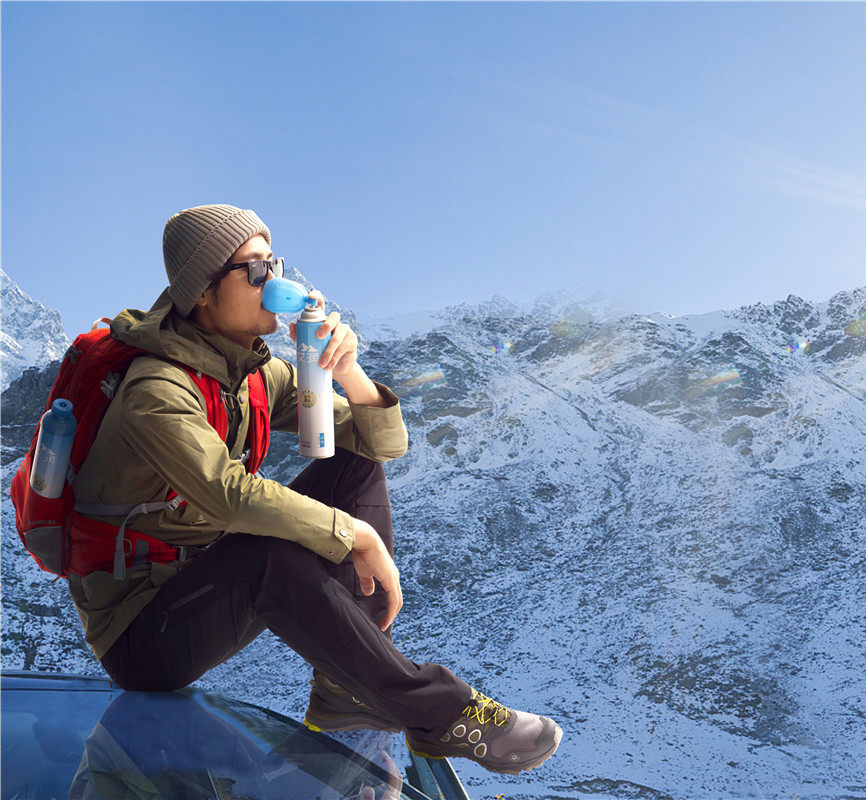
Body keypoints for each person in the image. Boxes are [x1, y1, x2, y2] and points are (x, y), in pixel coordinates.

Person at [67, 204, 561, 775]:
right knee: (268, 551)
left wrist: (346, 371)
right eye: (254, 271)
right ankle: (441, 713)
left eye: (272, 262)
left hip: (203, 580)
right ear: (202, 290)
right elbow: (226, 495)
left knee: (355, 467)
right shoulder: (155, 388)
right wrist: (353, 535)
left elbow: (376, 444)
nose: (274, 281)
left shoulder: (250, 373)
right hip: (141, 635)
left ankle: (344, 691)